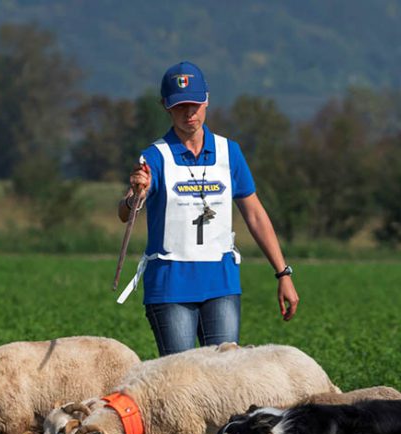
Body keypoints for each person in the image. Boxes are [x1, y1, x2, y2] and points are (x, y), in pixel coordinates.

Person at [116, 60, 299, 358]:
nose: (189, 114)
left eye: (195, 104)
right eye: (179, 106)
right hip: (170, 288)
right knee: (180, 383)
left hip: (221, 286)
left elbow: (255, 215)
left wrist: (283, 273)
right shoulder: (155, 156)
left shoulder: (230, 152)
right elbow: (126, 213)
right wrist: (135, 195)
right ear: (165, 105)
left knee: (225, 381)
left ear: (207, 101)